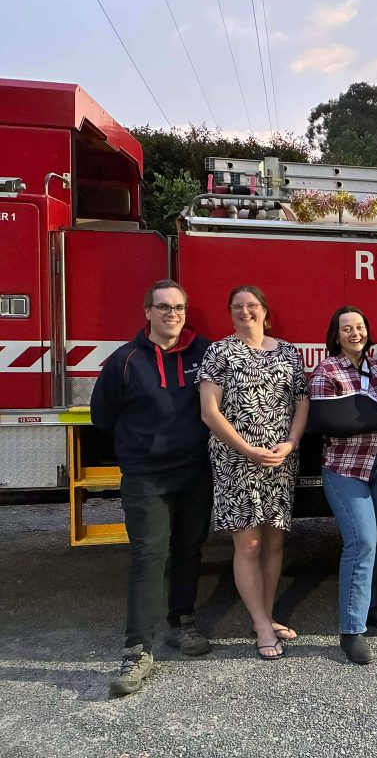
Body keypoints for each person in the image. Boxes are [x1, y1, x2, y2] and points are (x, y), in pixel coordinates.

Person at [91, 279, 213, 698]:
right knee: (148, 556)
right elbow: (102, 416)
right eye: (162, 307)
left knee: (189, 549)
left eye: (178, 307)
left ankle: (181, 623)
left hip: (196, 473)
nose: (171, 314)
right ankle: (137, 648)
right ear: (147, 312)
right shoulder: (124, 361)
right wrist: (141, 448)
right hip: (146, 478)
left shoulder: (206, 353)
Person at [198, 285, 309, 660]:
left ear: (265, 310)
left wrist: (291, 443)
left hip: (279, 460)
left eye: (252, 305)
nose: (246, 312)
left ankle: (267, 613)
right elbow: (209, 412)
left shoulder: (288, 352)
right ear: (230, 313)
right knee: (248, 544)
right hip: (236, 460)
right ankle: (261, 624)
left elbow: (301, 402)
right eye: (238, 307)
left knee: (274, 543)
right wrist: (246, 449)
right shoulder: (219, 352)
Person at [309, 306, 377, 665]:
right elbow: (327, 419)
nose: (354, 333)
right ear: (336, 334)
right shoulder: (326, 370)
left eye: (359, 326)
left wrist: (365, 413)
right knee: (361, 543)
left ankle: (371, 607)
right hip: (345, 469)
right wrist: (372, 416)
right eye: (346, 328)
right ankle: (351, 629)